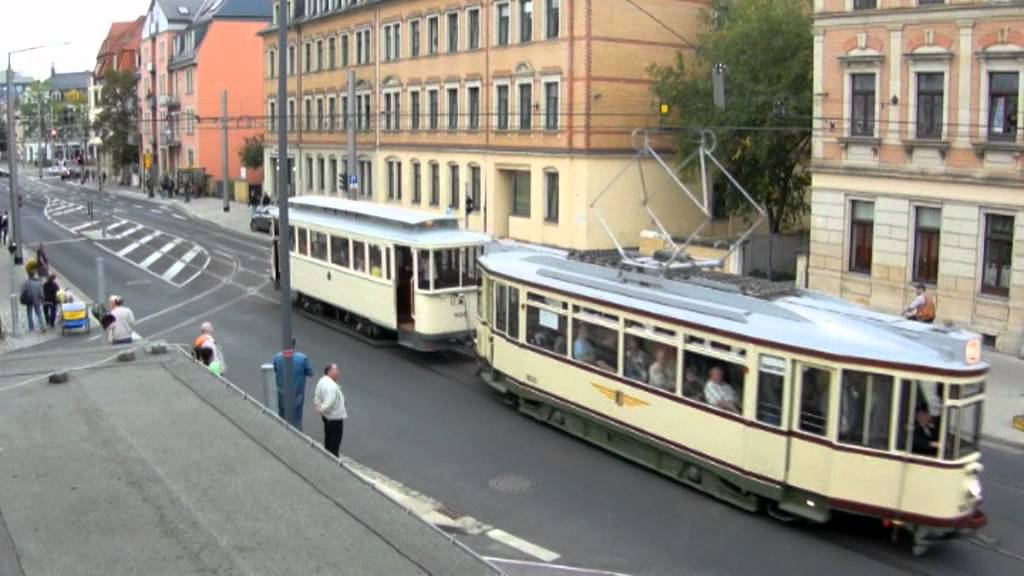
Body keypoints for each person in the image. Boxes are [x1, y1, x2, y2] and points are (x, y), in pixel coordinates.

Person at [272, 342, 314, 430]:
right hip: (297, 393)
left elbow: (274, 369)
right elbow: (310, 373)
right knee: (297, 417)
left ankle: (282, 431)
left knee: (282, 413)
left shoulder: (277, 357)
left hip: (281, 392)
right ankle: (297, 436)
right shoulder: (302, 359)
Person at [314, 363, 348, 457]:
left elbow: (317, 395)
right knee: (334, 443)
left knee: (328, 439)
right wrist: (322, 408)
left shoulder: (322, 381)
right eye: (336, 370)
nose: (338, 373)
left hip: (327, 417)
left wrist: (318, 406)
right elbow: (330, 401)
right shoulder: (331, 386)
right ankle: (333, 461)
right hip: (334, 418)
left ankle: (327, 457)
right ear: (329, 372)